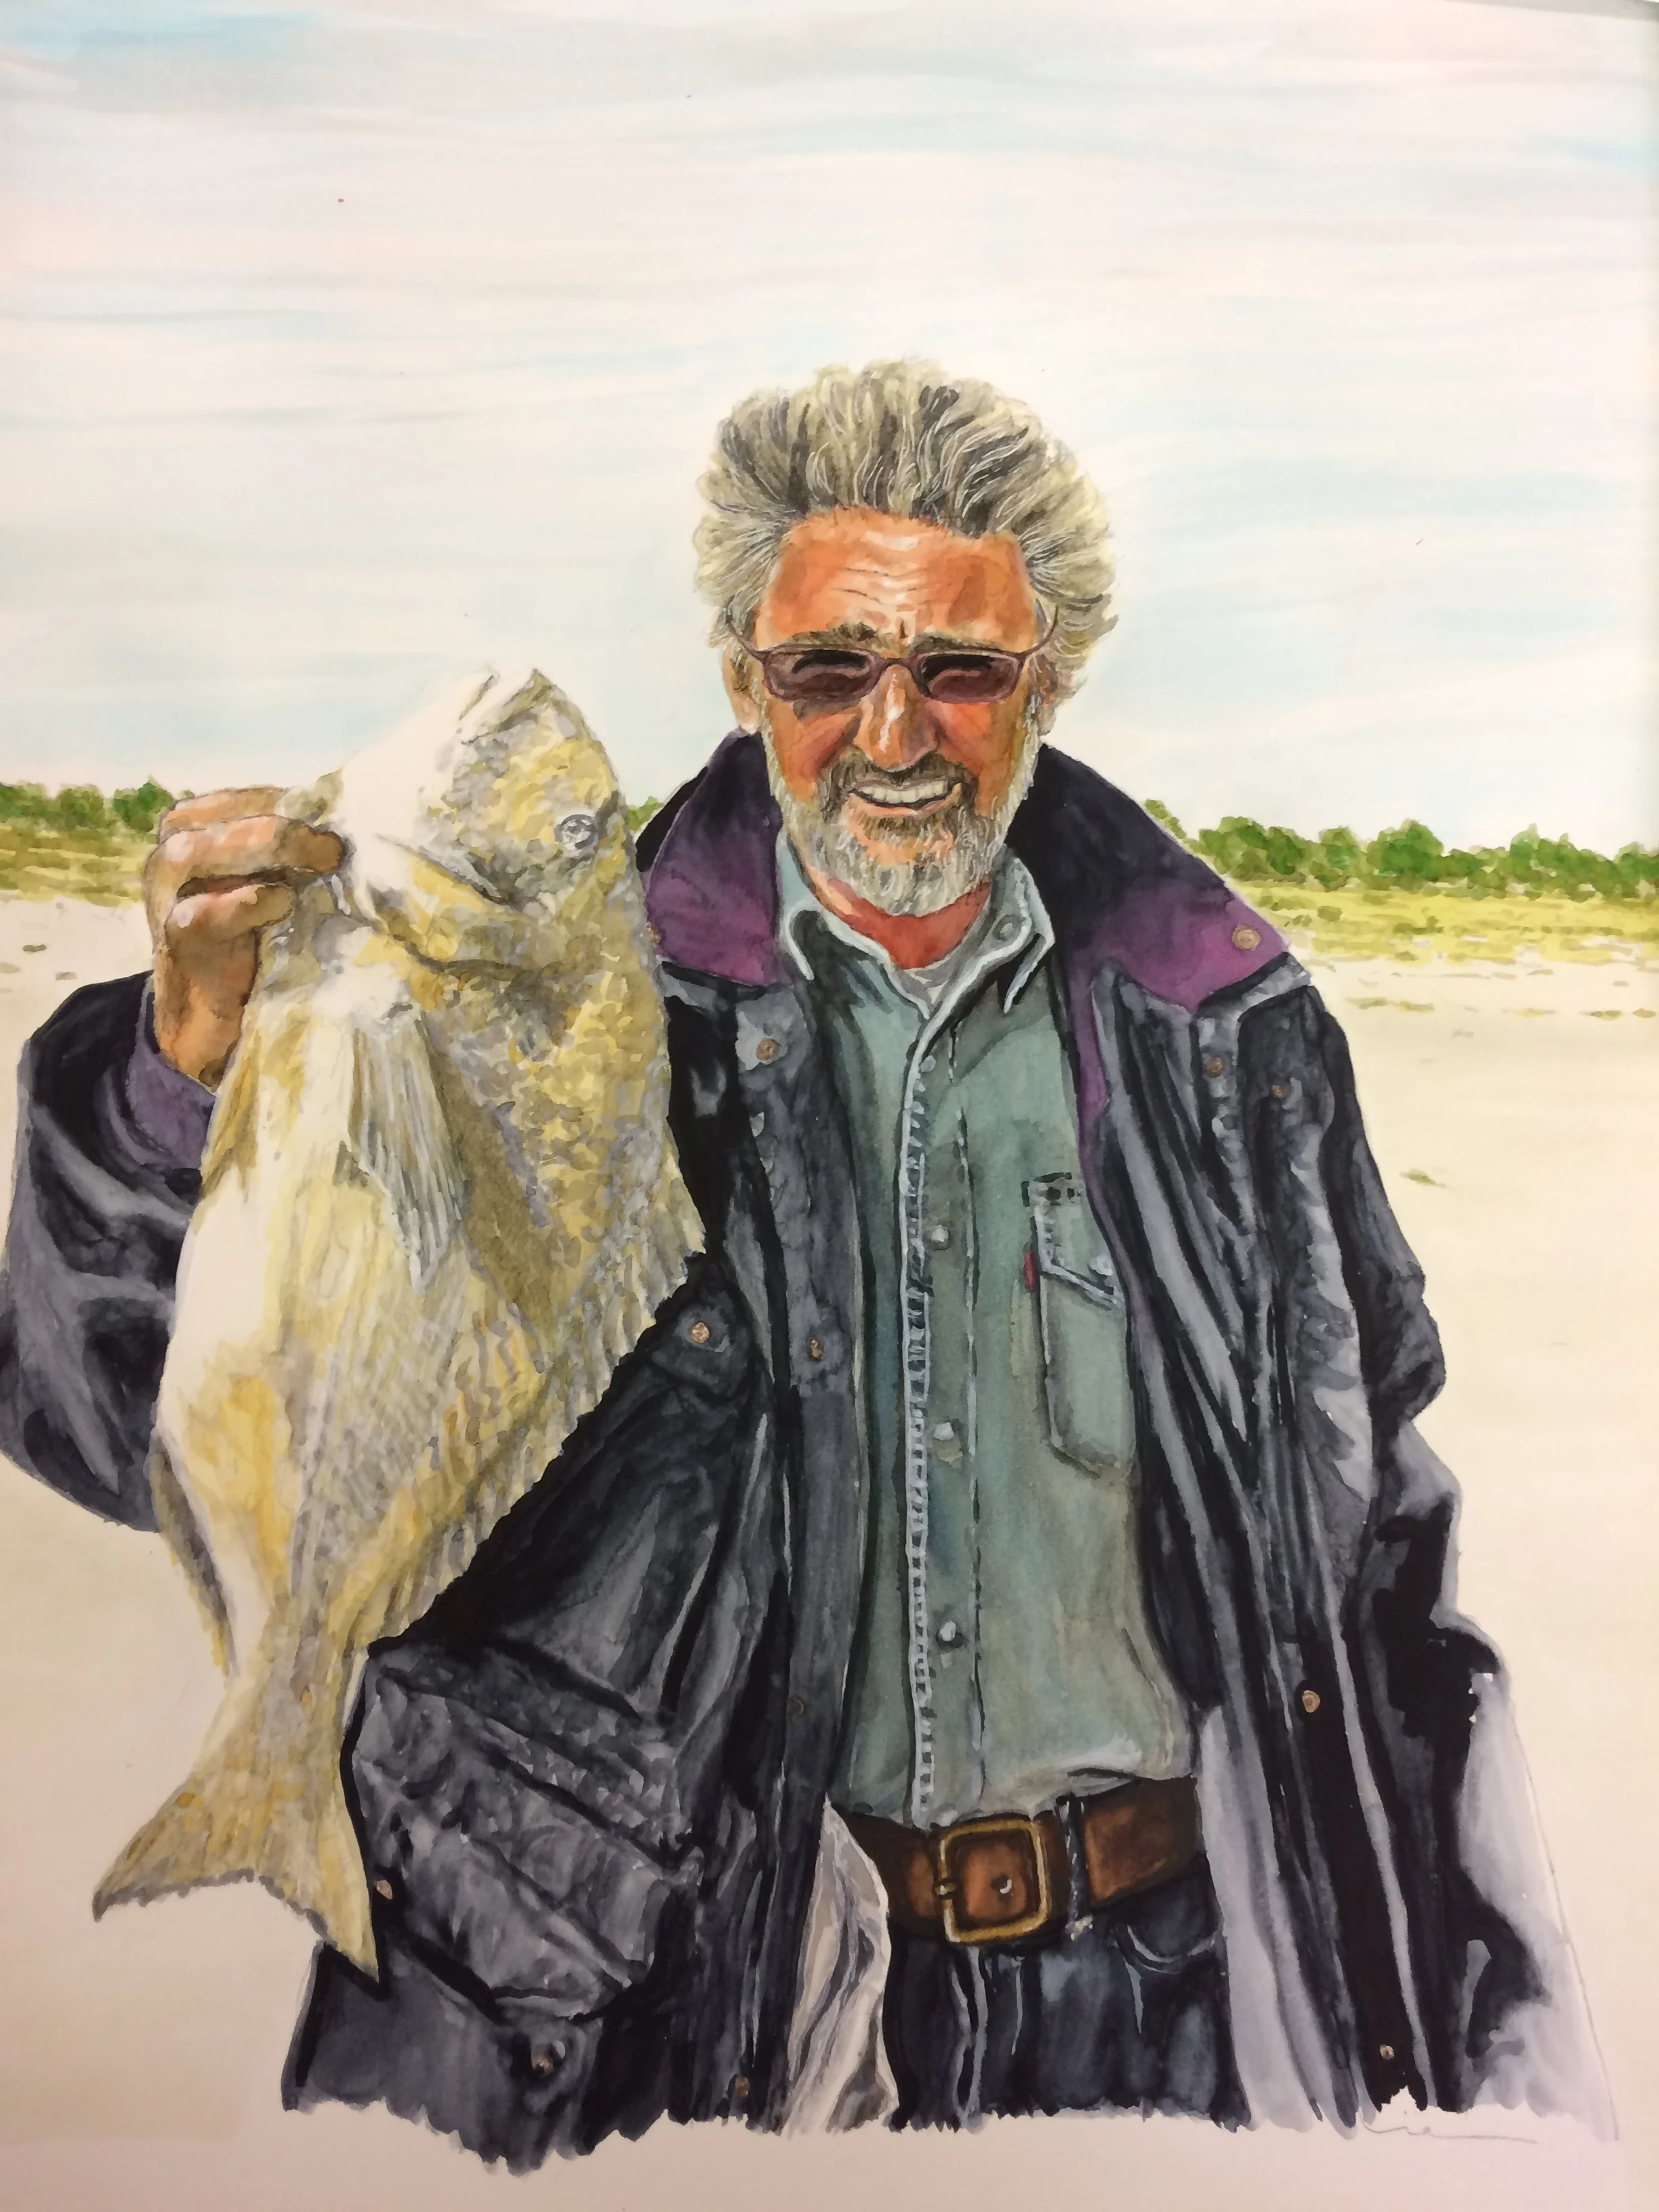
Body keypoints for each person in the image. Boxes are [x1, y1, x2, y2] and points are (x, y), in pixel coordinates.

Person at [0, 361, 1605, 2165]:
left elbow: (1377, 1577)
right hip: (658, 2002)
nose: (892, 731)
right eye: (827, 670)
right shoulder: (532, 1013)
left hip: (1160, 2010)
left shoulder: (1227, 1030)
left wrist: (1505, 2080)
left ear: (1051, 678)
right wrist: (180, 1077)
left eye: (959, 671)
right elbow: (124, 1420)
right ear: (742, 676)